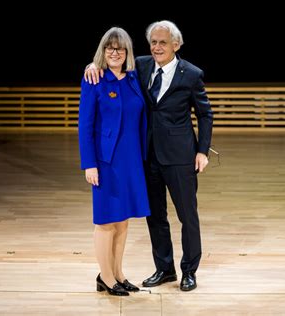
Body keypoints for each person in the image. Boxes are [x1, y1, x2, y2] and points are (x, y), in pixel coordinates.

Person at [85, 20, 213, 291]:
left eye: (162, 42)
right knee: (155, 216)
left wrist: (202, 150)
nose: (157, 47)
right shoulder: (138, 68)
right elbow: (110, 61)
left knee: (187, 216)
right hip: (146, 157)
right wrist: (92, 65)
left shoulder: (191, 74)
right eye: (153, 42)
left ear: (176, 45)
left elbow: (205, 114)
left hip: (180, 157)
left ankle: (189, 270)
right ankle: (164, 268)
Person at [78, 27, 150, 296]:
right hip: (105, 161)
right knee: (106, 221)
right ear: (102, 51)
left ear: (127, 52)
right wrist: (90, 164)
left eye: (120, 48)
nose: (115, 52)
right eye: (110, 48)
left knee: (123, 221)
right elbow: (84, 125)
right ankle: (105, 278)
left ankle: (119, 273)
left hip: (131, 160)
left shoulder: (134, 77)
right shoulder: (94, 78)